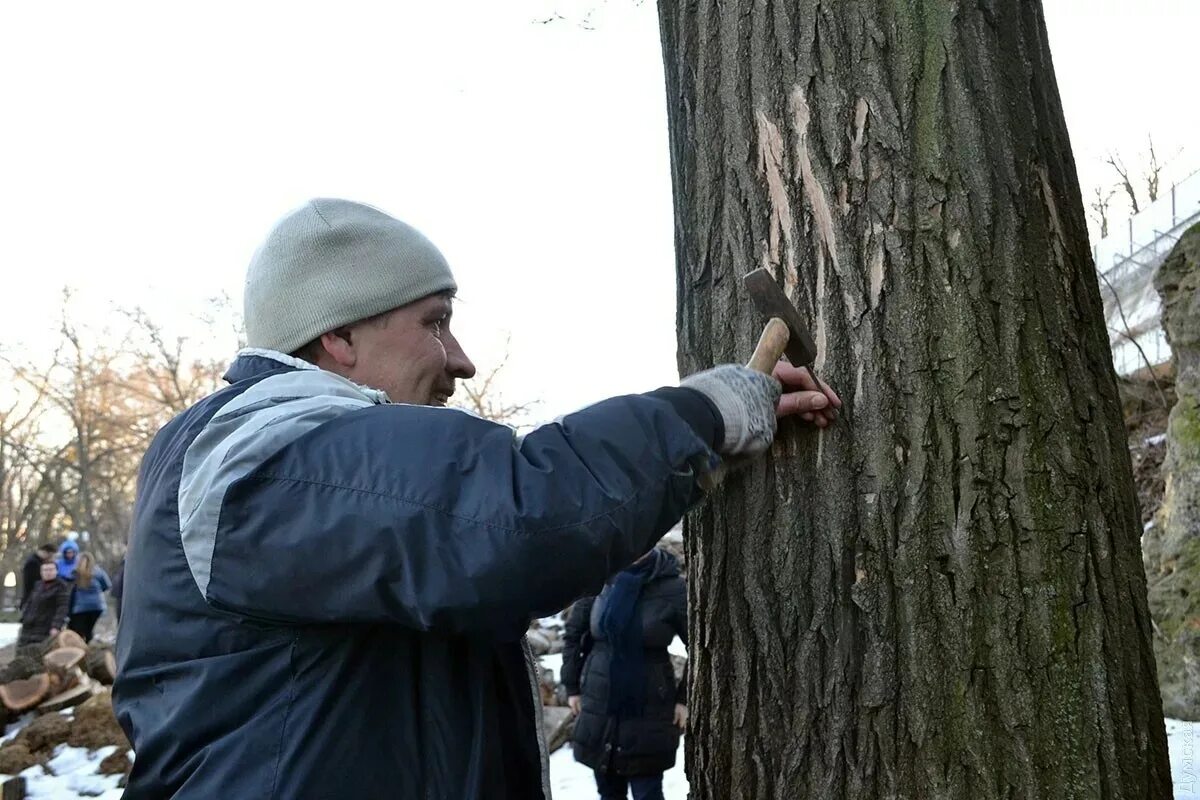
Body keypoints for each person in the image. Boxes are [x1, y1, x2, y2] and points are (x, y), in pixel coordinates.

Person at [114, 198, 841, 800]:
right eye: (435, 321)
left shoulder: (277, 457)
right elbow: (514, 518)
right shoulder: (265, 450)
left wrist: (698, 448)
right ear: (336, 335)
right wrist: (698, 415)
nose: (459, 358)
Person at [561, 547, 687, 800]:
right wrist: (572, 686)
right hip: (599, 702)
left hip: (650, 707)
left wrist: (684, 699)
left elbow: (702, 645)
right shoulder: (599, 579)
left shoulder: (672, 587)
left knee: (647, 792)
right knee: (608, 791)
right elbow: (574, 635)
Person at [19, 561, 70, 646]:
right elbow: (30, 603)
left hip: (46, 626)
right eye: (45, 570)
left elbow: (62, 607)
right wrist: (24, 616)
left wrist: (56, 626)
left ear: (56, 571)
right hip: (29, 626)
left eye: (51, 570)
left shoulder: (61, 587)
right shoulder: (38, 585)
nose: (48, 572)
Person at [67, 553, 111, 643]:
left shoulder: (74, 573)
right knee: (89, 630)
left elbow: (70, 591)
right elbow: (107, 585)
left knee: (78, 632)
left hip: (80, 608)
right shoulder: (99, 572)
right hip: (97, 606)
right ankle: (89, 646)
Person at [20, 543, 57, 610]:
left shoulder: (36, 561)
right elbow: (31, 582)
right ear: (46, 553)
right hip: (32, 596)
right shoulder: (33, 563)